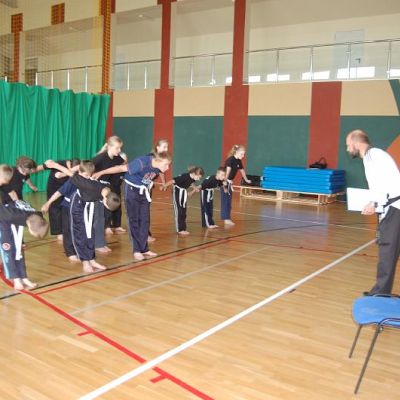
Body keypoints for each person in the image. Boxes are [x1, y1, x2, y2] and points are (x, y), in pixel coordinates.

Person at [346, 129, 400, 295]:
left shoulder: (373, 156)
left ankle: (381, 292)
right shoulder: (373, 156)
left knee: (387, 250)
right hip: (392, 207)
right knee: (389, 250)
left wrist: (374, 203)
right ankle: (381, 290)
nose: (347, 149)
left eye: (348, 145)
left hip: (395, 208)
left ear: (357, 143)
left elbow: (381, 183)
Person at [93, 152, 172, 261]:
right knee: (133, 220)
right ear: (157, 161)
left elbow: (149, 176)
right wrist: (101, 172)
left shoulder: (158, 168)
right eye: (166, 164)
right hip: (131, 191)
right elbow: (120, 168)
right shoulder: (141, 162)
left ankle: (144, 249)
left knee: (145, 220)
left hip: (143, 192)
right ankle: (136, 250)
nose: (167, 168)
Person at [44, 160, 120, 273]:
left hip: (88, 208)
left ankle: (92, 259)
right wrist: (54, 165)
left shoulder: (98, 186)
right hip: (76, 208)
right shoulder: (84, 183)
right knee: (80, 235)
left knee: (90, 234)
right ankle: (85, 262)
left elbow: (106, 188)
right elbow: (69, 173)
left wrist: (105, 194)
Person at [0, 201, 48, 290]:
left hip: (14, 218)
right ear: (29, 224)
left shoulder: (37, 216)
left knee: (19, 249)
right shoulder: (12, 216)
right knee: (8, 250)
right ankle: (15, 278)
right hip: (2, 219)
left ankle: (24, 278)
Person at [92, 136, 126, 243]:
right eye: (117, 148)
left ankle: (110, 226)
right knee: (101, 208)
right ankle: (104, 227)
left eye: (120, 148)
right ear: (109, 147)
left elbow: (123, 166)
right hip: (99, 186)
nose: (119, 150)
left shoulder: (117, 158)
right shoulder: (101, 158)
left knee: (110, 205)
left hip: (109, 186)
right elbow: (89, 166)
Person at [43, 159, 80, 241]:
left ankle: (66, 229)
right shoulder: (60, 165)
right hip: (54, 190)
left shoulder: (74, 169)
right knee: (55, 210)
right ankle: (58, 233)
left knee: (64, 209)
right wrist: (72, 170)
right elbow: (59, 175)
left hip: (65, 188)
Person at [163, 166, 204, 235]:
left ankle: (183, 228)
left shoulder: (192, 178)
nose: (199, 179)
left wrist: (194, 188)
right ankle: (179, 229)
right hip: (177, 191)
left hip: (183, 192)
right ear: (194, 174)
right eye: (199, 177)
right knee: (179, 210)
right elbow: (173, 181)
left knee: (183, 212)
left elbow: (191, 182)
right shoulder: (184, 176)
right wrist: (164, 186)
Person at [221, 145, 251, 225]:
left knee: (229, 202)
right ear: (237, 152)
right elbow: (227, 172)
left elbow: (242, 171)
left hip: (229, 182)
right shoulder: (230, 160)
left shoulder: (238, 161)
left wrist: (246, 179)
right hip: (225, 182)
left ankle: (227, 218)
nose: (243, 156)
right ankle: (226, 219)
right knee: (225, 201)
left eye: (244, 154)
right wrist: (224, 183)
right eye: (242, 154)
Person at [147, 139, 169, 242]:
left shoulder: (162, 159)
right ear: (158, 147)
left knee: (146, 210)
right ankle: (144, 235)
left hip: (148, 186)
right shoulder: (150, 157)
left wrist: (164, 183)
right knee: (143, 211)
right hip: (140, 186)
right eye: (164, 147)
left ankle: (145, 233)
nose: (166, 149)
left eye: (167, 147)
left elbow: (161, 171)